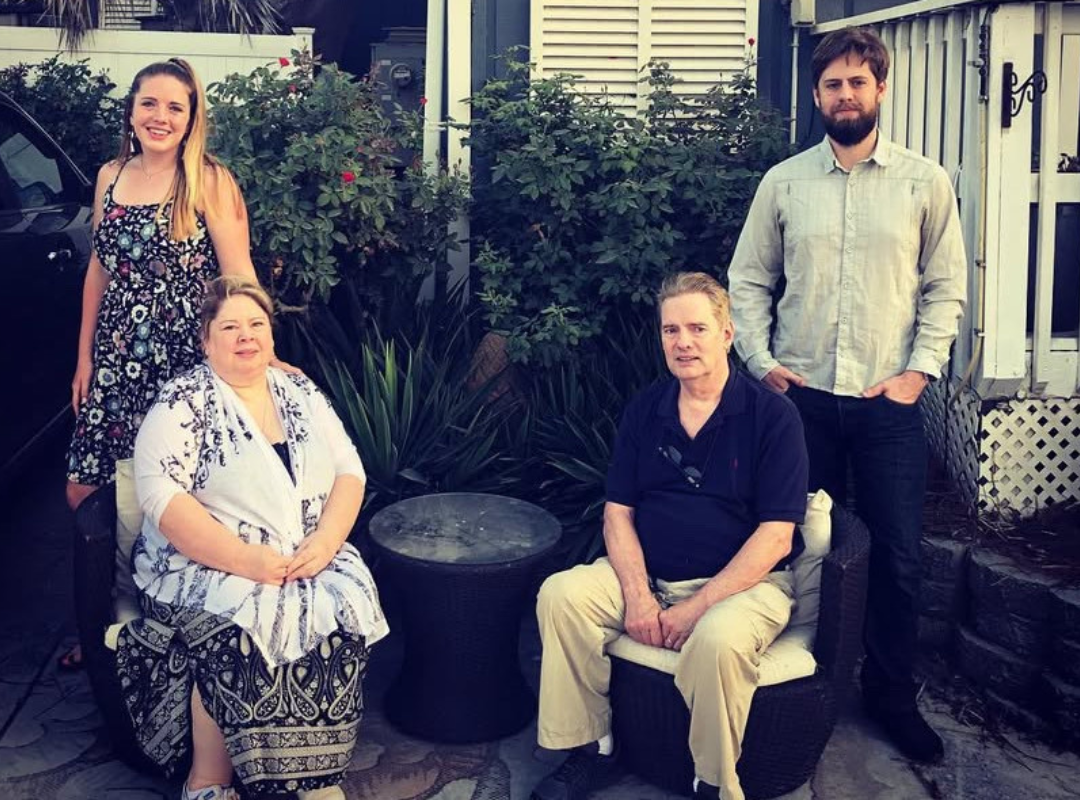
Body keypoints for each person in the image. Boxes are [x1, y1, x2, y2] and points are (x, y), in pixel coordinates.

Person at [727, 27, 967, 764]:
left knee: (896, 555)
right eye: (832, 84)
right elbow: (748, 280)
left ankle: (891, 695)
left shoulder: (924, 183)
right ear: (817, 94)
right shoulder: (785, 182)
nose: (845, 95)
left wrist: (918, 373)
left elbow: (946, 288)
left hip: (887, 404)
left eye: (858, 83)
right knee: (799, 547)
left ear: (881, 89)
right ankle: (805, 685)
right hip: (798, 403)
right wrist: (762, 361)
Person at [529, 272, 808, 800]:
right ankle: (592, 749)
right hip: (651, 574)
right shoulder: (647, 410)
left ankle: (712, 783)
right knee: (562, 595)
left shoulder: (772, 417)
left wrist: (697, 606)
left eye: (698, 328)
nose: (683, 342)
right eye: (670, 330)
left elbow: (775, 537)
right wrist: (637, 594)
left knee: (718, 641)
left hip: (748, 586)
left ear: (727, 334)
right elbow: (618, 513)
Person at [114, 276, 387, 800]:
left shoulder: (299, 391)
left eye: (256, 324)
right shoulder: (183, 401)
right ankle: (209, 780)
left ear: (271, 334)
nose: (246, 336)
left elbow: (349, 470)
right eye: (230, 327)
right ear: (206, 340)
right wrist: (246, 560)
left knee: (338, 619)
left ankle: (313, 778)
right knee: (238, 633)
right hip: (202, 565)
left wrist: (327, 542)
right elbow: (161, 498)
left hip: (304, 553)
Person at [62, 58, 277, 670]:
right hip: (113, 362)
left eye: (174, 107)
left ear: (191, 119)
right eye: (149, 104)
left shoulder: (207, 181)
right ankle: (97, 618)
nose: (160, 117)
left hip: (180, 365)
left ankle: (160, 626)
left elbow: (239, 278)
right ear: (131, 110)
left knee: (172, 497)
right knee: (85, 487)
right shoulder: (109, 176)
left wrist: (261, 358)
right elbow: (98, 271)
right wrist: (83, 357)